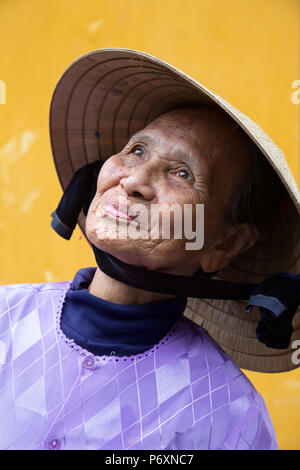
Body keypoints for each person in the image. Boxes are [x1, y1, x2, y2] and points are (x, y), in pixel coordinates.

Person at [1, 49, 300, 450]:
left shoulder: (226, 413)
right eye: (136, 150)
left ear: (224, 244)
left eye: (182, 173)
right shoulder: (6, 319)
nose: (134, 180)